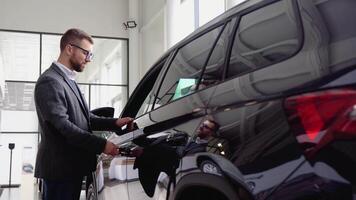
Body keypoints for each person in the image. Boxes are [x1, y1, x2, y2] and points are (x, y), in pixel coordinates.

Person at [34, 28, 133, 200]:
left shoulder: (68, 80)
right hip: (60, 169)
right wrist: (102, 145)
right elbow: (64, 127)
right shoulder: (50, 81)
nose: (88, 60)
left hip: (72, 167)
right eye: (86, 53)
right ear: (69, 49)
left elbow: (85, 118)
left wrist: (115, 123)